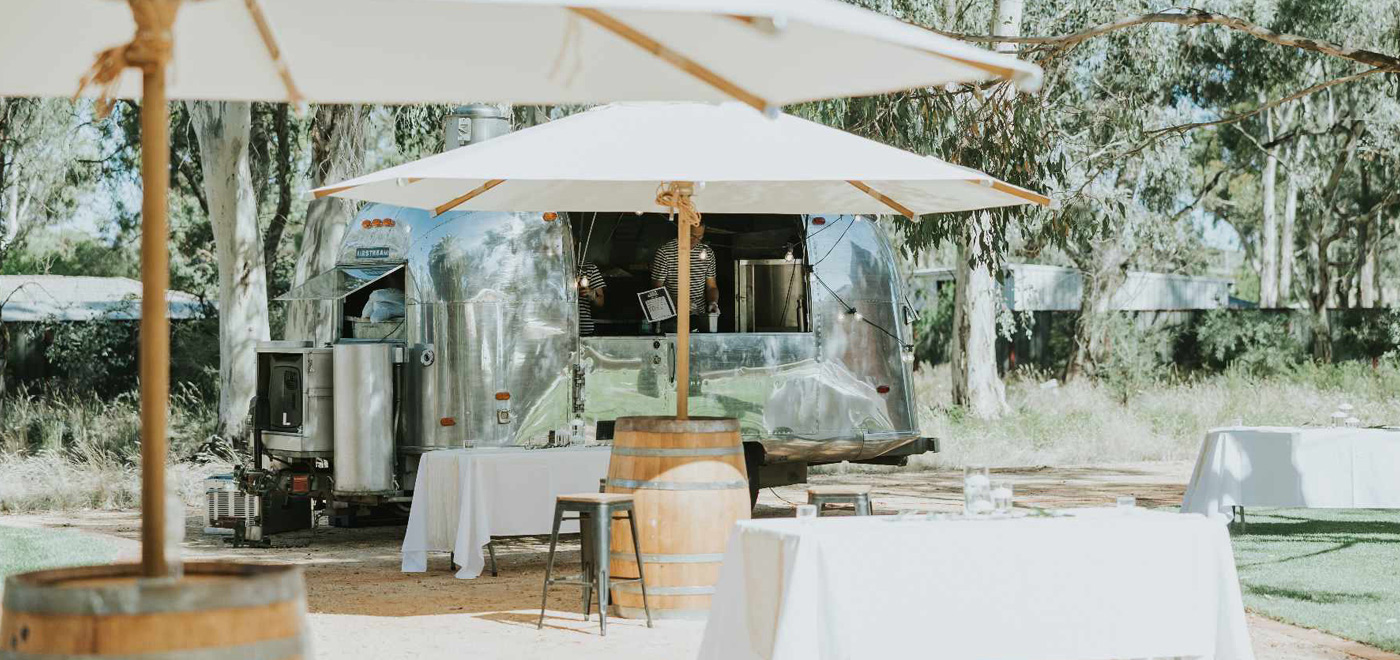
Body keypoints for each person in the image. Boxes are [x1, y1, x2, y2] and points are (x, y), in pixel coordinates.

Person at [650, 221, 719, 332]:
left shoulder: (708, 253)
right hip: (672, 318)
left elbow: (711, 287)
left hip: (698, 316)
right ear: (682, 230)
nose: (695, 240)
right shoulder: (665, 252)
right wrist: (678, 302)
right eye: (692, 236)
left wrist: (713, 302)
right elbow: (656, 290)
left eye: (699, 237)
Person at [578, 261, 606, 336]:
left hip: (583, 328)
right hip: (554, 327)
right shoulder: (550, 265)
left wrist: (591, 294)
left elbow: (601, 302)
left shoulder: (589, 268)